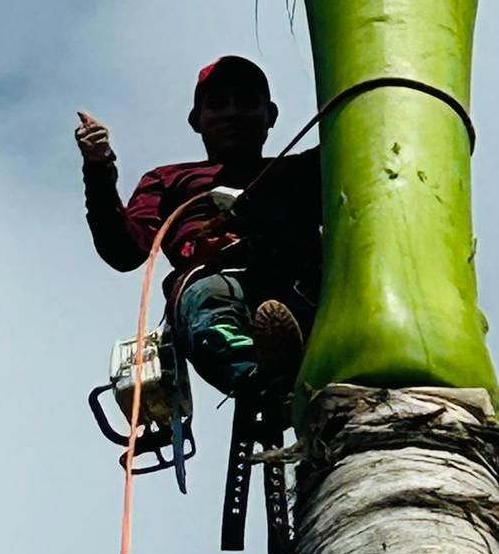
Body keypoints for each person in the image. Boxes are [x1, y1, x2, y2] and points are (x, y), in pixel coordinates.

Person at [77, 55, 320, 396]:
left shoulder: (302, 171)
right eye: (218, 105)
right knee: (209, 301)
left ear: (271, 116)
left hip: (302, 280)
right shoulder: (169, 179)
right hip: (218, 280)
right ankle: (260, 379)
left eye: (247, 103)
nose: (233, 113)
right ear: (197, 121)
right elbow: (125, 250)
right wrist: (98, 168)